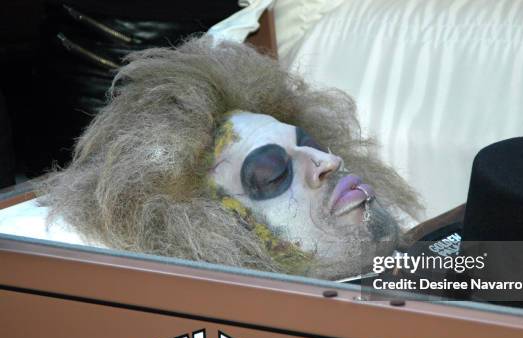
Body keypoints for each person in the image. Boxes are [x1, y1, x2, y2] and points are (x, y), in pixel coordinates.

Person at [40, 36, 421, 280]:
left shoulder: (455, 263)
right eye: (273, 174)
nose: (327, 162)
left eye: (312, 143)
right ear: (216, 236)